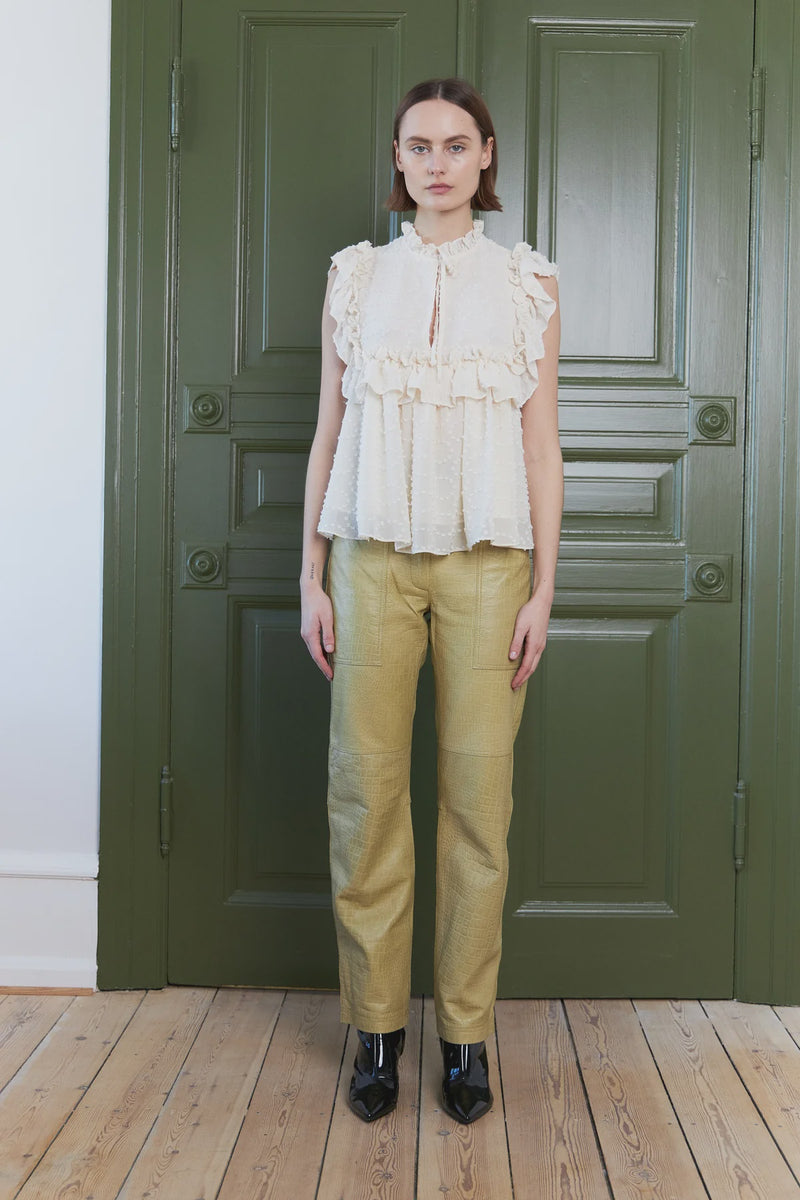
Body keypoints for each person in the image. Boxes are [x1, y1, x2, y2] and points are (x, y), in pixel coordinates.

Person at [300, 76, 562, 1126]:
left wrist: (545, 587)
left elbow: (540, 446)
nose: (438, 162)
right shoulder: (356, 277)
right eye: (419, 145)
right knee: (364, 797)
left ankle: (464, 1036)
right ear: (398, 159)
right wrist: (310, 572)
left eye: (458, 144)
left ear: (486, 154)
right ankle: (376, 1029)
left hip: (491, 565)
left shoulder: (528, 283)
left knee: (476, 807)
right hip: (368, 560)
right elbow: (328, 431)